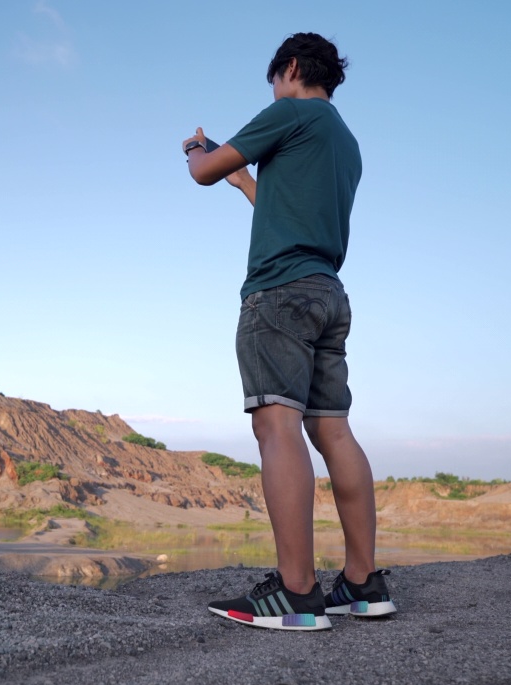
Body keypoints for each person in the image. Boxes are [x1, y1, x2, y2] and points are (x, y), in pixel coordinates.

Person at [182, 32, 396, 631]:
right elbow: (285, 211)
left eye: (274, 80)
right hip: (328, 292)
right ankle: (362, 583)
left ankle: (298, 591)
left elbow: (202, 172)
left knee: (276, 425)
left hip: (279, 293)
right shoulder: (345, 143)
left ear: (293, 68)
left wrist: (199, 153)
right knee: (332, 430)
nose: (273, 92)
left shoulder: (289, 112)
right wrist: (244, 180)